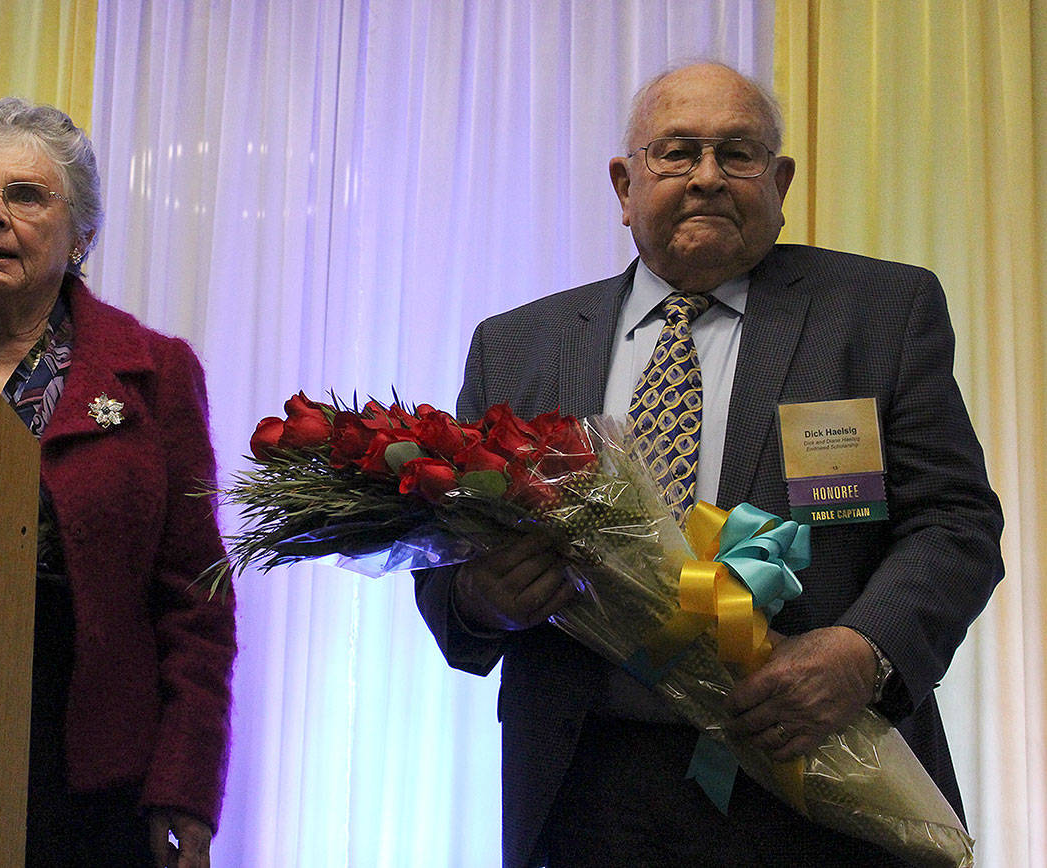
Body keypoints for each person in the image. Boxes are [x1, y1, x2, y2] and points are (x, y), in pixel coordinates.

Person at [416, 62, 1003, 867]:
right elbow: (447, 555)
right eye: (677, 152)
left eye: (737, 153)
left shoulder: (879, 313)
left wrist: (862, 653)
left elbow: (955, 523)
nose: (706, 178)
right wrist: (479, 599)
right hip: (589, 789)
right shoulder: (517, 346)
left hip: (818, 769)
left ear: (780, 178)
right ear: (625, 185)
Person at [0, 97, 235, 868]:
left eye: (25, 195)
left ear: (83, 233)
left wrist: (187, 784)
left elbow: (197, 599)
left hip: (85, 755)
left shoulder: (155, 374)